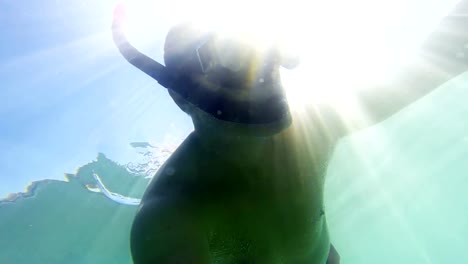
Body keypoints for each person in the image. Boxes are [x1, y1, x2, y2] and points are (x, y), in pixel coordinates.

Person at [112, 2, 468, 263]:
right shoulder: (170, 216)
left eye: (257, 51)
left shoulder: (314, 127)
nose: (256, 74)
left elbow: (439, 60)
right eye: (225, 59)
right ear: (179, 96)